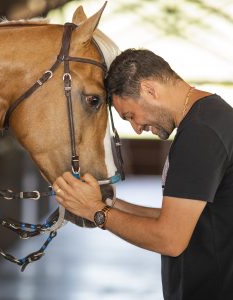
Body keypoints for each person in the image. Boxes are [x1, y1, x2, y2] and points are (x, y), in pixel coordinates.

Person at [53, 49, 233, 300]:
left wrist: (97, 212)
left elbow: (170, 238)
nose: (136, 129)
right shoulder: (206, 120)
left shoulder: (201, 134)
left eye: (130, 116)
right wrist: (108, 204)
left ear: (150, 90)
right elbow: (173, 217)